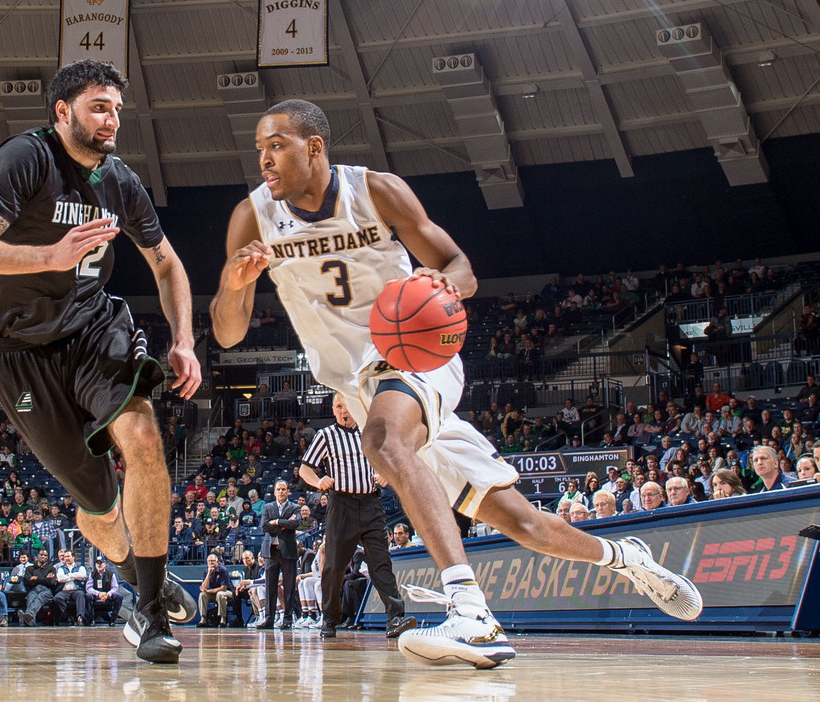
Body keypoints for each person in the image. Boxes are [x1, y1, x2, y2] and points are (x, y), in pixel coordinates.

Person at [210, 99, 702, 668]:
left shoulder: (375, 191)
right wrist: (232, 281)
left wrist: (439, 282)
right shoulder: (253, 217)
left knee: (382, 443)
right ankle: (624, 555)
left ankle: (471, 613)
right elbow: (227, 334)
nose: (265, 159)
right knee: (522, 522)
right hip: (357, 384)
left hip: (414, 352)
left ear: (314, 146)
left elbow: (459, 265)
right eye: (260, 149)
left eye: (276, 145)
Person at [0, 59, 197, 662]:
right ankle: (146, 580)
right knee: (98, 509)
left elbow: (166, 262)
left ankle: (147, 616)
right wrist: (50, 256)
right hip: (18, 352)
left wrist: (184, 338)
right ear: (62, 112)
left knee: (141, 434)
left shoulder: (121, 181)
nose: (111, 119)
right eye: (98, 107)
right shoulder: (25, 158)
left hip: (94, 329)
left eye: (116, 108)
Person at [297, 394, 415, 639]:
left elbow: (393, 458)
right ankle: (329, 619)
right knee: (334, 566)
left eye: (347, 405)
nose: (344, 410)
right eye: (339, 406)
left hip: (371, 504)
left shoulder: (371, 430)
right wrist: (318, 481)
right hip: (341, 505)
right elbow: (305, 468)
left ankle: (395, 617)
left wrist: (387, 473)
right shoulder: (326, 435)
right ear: (333, 410)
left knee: (381, 561)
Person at [256, 480, 300, 629]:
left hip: (288, 551)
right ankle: (269, 619)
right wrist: (283, 524)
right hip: (271, 552)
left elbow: (295, 524)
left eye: (283, 489)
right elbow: (264, 527)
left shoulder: (295, 507)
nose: (281, 492)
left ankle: (288, 619)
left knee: (289, 587)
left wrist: (276, 522)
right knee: (270, 587)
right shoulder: (268, 507)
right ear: (274, 492)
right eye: (278, 489)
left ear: (288, 491)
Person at [195, 553, 233, 627]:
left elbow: (223, 588)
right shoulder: (206, 571)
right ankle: (203, 618)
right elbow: (204, 587)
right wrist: (209, 574)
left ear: (217, 562)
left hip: (228, 592)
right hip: (214, 593)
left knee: (220, 594)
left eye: (212, 561)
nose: (211, 563)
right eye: (209, 561)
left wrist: (209, 591)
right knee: (202, 595)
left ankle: (223, 619)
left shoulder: (223, 570)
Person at [54, 549, 88, 626]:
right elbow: (60, 579)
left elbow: (82, 575)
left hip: (76, 589)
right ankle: (70, 616)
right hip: (65, 591)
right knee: (57, 598)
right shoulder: (61, 568)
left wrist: (69, 575)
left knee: (80, 595)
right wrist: (75, 576)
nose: (66, 558)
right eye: (65, 557)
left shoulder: (80, 567)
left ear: (73, 557)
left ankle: (80, 617)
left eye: (68, 556)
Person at [86, 557, 123, 624]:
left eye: (101, 563)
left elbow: (115, 587)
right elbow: (88, 588)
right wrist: (98, 594)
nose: (99, 565)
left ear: (105, 564)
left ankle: (112, 619)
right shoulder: (92, 574)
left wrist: (108, 594)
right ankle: (91, 619)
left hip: (107, 594)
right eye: (97, 563)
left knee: (119, 596)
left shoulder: (111, 574)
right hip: (96, 595)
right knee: (88, 596)